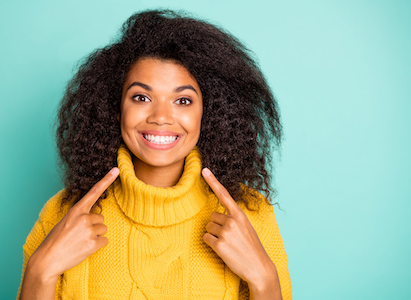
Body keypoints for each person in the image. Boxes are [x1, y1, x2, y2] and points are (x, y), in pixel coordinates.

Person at [18, 9, 291, 300]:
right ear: (115, 106)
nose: (161, 117)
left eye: (183, 100)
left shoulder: (251, 217)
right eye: (141, 97)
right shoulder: (62, 215)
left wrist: (264, 279)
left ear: (209, 113)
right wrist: (41, 269)